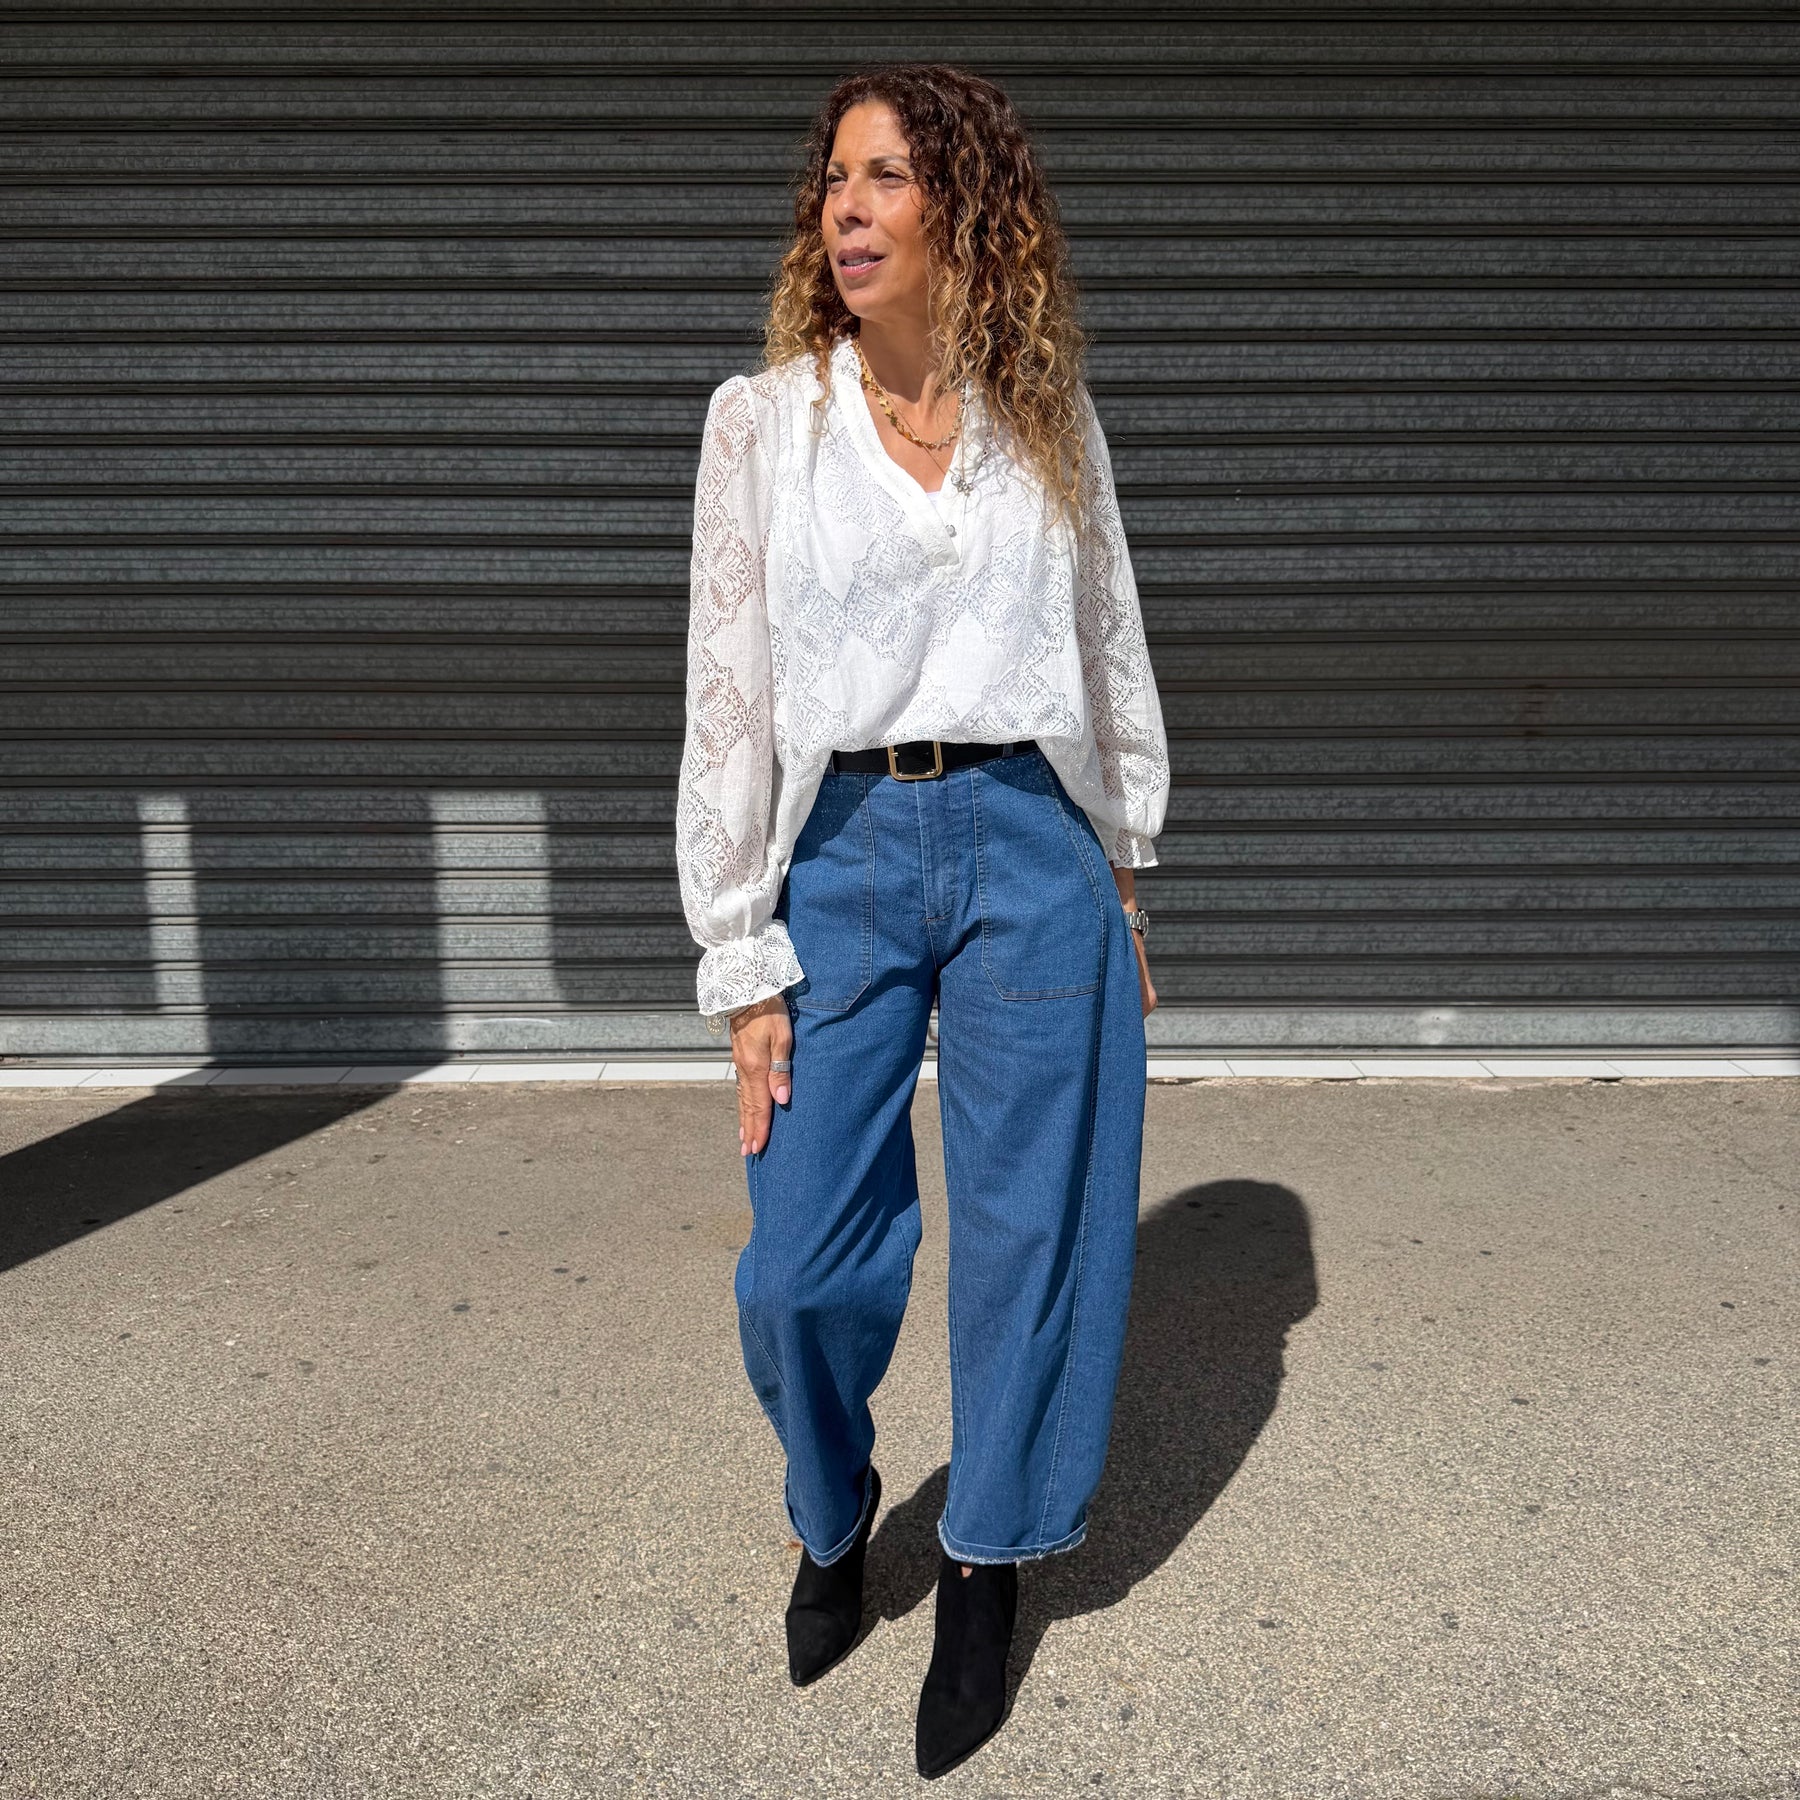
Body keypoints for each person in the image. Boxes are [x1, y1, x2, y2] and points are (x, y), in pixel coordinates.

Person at [674, 62, 1169, 1780]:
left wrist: (1123, 863)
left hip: (1033, 841)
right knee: (801, 1262)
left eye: (887, 176)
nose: (848, 207)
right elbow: (729, 695)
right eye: (835, 179)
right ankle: (833, 1510)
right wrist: (740, 954)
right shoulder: (764, 424)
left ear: (968, 209)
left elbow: (1104, 640)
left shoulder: (1047, 415)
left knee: (1035, 1236)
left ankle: (985, 1563)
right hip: (845, 850)